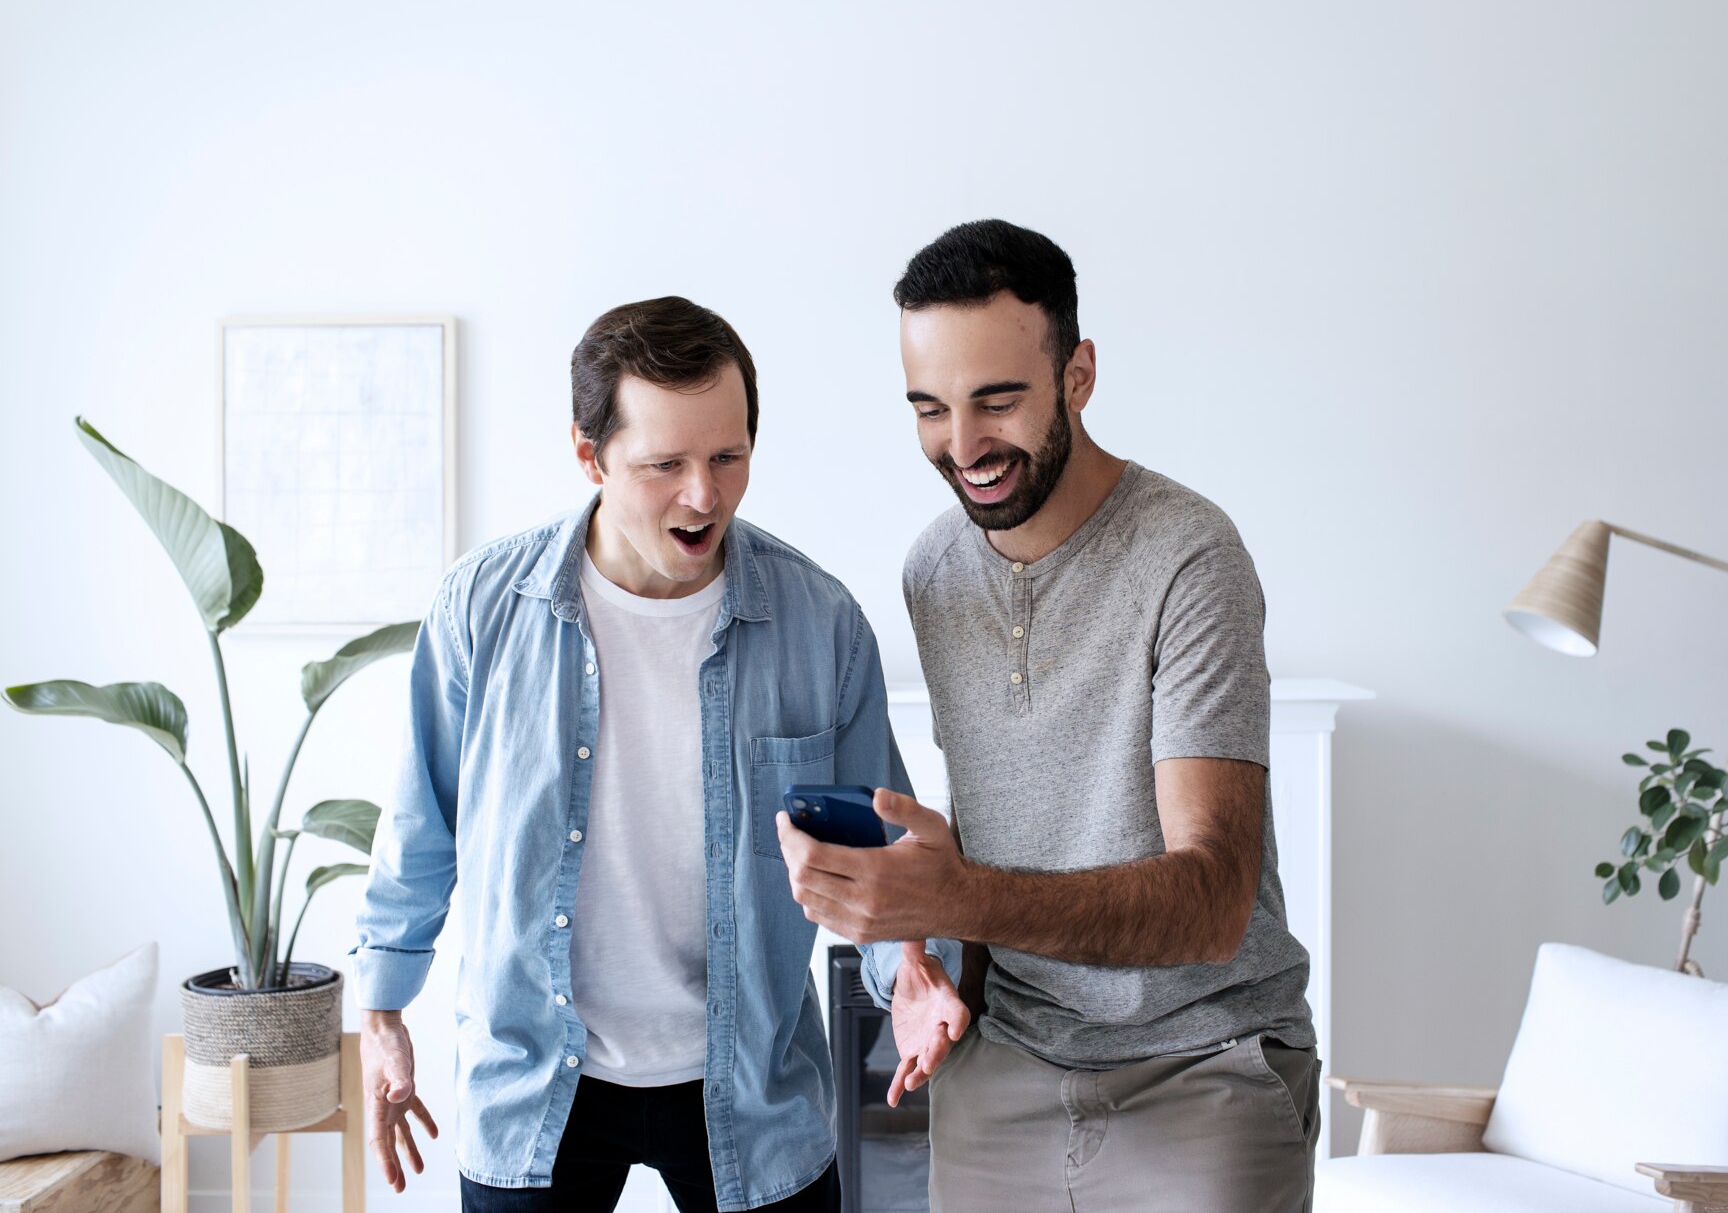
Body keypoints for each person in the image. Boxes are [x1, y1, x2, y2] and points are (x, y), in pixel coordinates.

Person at [352, 297, 959, 1212]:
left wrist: (908, 968)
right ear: (589, 455)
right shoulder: (482, 608)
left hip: (751, 1084)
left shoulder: (819, 624)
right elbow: (424, 822)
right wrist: (384, 1008)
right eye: (664, 464)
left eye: (727, 457)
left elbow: (875, 848)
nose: (703, 495)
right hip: (537, 1078)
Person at [777, 221, 1318, 1213]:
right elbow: (1002, 837)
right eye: (930, 408)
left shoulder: (1190, 557)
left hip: (1203, 1068)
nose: (964, 445)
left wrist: (949, 899)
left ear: (1078, 374)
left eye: (998, 400)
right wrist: (944, 979)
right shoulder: (933, 569)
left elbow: (1211, 900)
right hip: (1005, 1067)